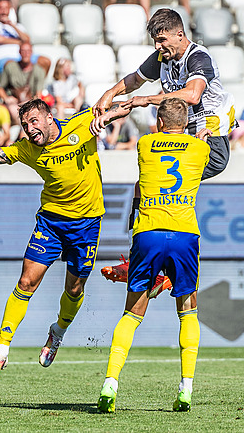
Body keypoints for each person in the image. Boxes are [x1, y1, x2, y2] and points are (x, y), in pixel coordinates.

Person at [0, 98, 121, 384]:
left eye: (34, 121)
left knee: (74, 288)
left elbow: (120, 106)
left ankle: (57, 332)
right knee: (26, 283)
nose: (30, 129)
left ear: (49, 117)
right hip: (51, 222)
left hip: (86, 225)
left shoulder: (81, 125)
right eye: (24, 124)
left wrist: (125, 104)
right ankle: (0, 352)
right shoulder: (27, 148)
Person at [93, 8, 234, 282]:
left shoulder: (198, 57)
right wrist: (110, 95)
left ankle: (164, 269)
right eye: (155, 42)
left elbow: (193, 95)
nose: (158, 47)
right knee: (143, 186)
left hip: (209, 140)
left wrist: (146, 99)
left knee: (165, 193)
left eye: (162, 40)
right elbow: (135, 80)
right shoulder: (163, 57)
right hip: (182, 134)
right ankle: (141, 259)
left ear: (179, 35)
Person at [92, 97, 211, 414]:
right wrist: (201, 137)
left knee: (131, 313)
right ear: (185, 125)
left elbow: (140, 184)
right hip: (185, 234)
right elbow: (200, 147)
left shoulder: (145, 144)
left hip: (148, 232)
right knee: (188, 310)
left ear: (159, 123)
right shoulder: (200, 150)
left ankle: (110, 383)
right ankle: (186, 388)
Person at [0, 42, 46, 124]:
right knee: (13, 109)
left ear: (32, 52)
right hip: (13, 102)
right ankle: (22, 128)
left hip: (29, 101)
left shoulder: (39, 70)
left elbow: (38, 94)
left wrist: (30, 103)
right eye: (23, 51)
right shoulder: (10, 67)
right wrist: (6, 98)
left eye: (28, 51)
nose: (26, 54)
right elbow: (0, 87)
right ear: (19, 52)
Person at [0, 0, 30, 71]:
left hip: (21, 58)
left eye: (6, 8)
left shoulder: (18, 26)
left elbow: (27, 40)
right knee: (12, 65)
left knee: (43, 61)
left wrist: (12, 25)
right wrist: (20, 42)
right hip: (1, 60)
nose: (3, 11)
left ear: (10, 10)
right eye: (1, 8)